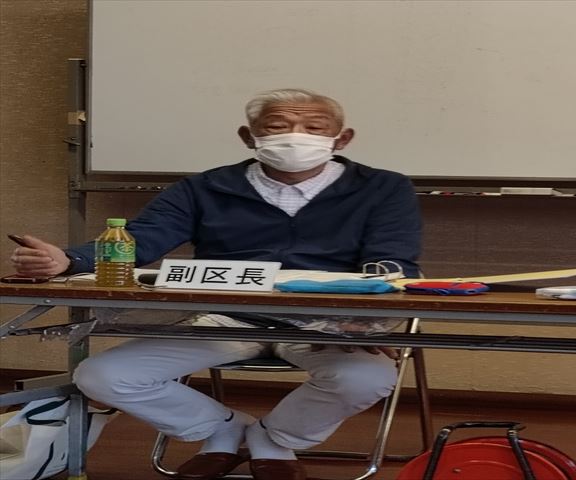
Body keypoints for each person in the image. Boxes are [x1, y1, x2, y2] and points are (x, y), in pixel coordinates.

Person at [10, 88, 422, 480]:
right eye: (277, 126)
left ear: (341, 138)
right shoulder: (204, 187)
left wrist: (370, 318)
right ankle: (223, 429)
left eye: (314, 127)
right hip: (222, 318)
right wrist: (68, 260)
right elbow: (143, 238)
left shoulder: (383, 187)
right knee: (102, 375)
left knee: (366, 378)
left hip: (325, 324)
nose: (296, 136)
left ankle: (274, 440)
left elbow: (391, 261)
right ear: (248, 136)